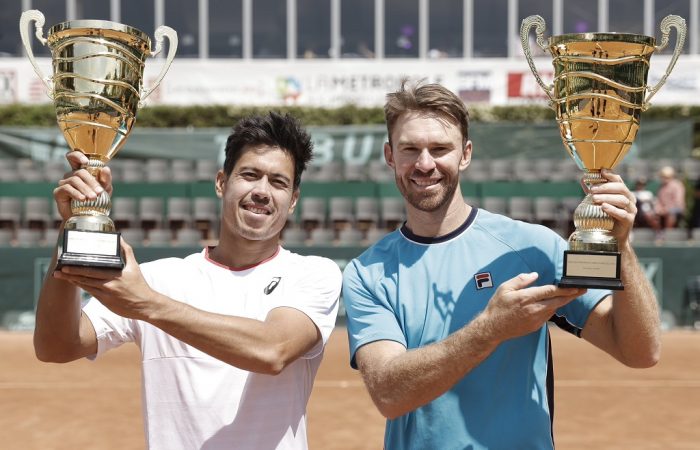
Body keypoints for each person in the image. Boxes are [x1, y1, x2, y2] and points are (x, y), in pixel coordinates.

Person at [342, 80, 660, 449]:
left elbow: (640, 352)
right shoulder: (368, 273)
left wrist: (622, 248)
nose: (425, 163)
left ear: (465, 154)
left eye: (440, 149)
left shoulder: (534, 246)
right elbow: (390, 394)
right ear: (390, 156)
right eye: (410, 149)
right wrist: (491, 329)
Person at [34, 112, 342, 450]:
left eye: (278, 182)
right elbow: (56, 346)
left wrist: (147, 304)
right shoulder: (157, 278)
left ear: (293, 200)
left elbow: (273, 350)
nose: (262, 191)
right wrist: (75, 225)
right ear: (222, 182)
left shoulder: (314, 273)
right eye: (250, 175)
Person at [654, 165, 686, 230]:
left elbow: (678, 202)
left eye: (667, 177)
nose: (664, 178)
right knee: (651, 214)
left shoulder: (677, 185)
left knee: (671, 214)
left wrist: (666, 209)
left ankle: (667, 233)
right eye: (663, 176)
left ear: (672, 176)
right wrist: (658, 209)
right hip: (664, 209)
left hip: (676, 209)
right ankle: (659, 233)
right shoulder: (661, 187)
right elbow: (658, 201)